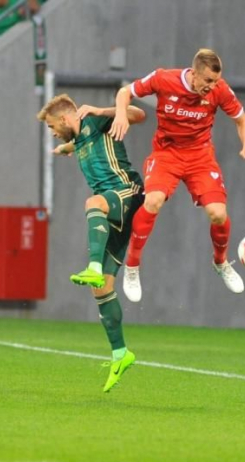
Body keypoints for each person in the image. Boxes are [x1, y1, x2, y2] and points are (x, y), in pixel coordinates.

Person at [104, 48, 245, 302]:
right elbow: (125, 92)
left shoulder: (220, 90)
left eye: (216, 81)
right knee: (153, 201)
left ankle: (220, 262)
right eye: (208, 80)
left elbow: (242, 120)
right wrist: (121, 114)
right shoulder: (163, 79)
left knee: (218, 213)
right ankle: (132, 266)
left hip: (200, 157)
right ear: (194, 74)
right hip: (166, 154)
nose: (212, 86)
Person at [37, 94, 147, 393]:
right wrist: (66, 147)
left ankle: (93, 266)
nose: (52, 132)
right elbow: (81, 142)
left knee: (93, 203)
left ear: (64, 118)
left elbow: (138, 114)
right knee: (102, 289)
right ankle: (121, 354)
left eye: (52, 126)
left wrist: (105, 110)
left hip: (128, 192)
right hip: (116, 211)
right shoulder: (80, 138)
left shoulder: (96, 121)